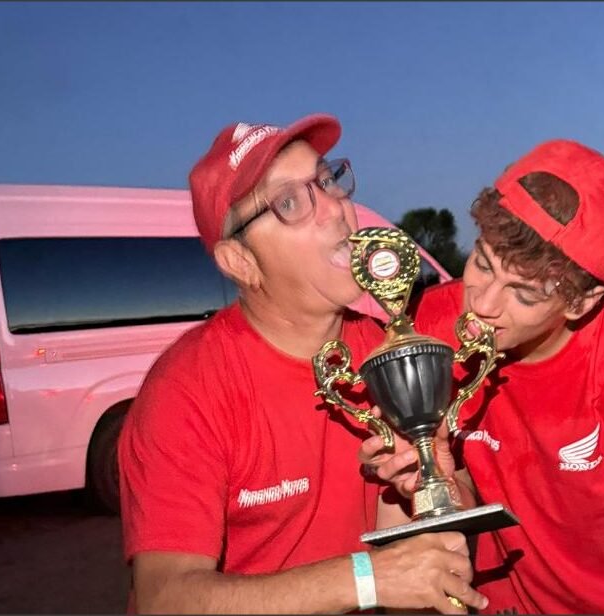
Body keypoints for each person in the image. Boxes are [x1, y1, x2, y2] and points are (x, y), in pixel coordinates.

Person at [117, 114, 486, 614]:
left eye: (328, 180)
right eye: (289, 202)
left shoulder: (385, 352)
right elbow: (166, 598)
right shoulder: (187, 388)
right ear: (239, 263)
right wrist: (365, 578)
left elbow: (411, 545)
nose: (335, 207)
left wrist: (432, 484)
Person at [363, 140, 604, 614]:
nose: (483, 305)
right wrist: (439, 483)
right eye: (482, 264)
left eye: (524, 295)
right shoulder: (430, 327)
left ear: (583, 300)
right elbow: (465, 494)